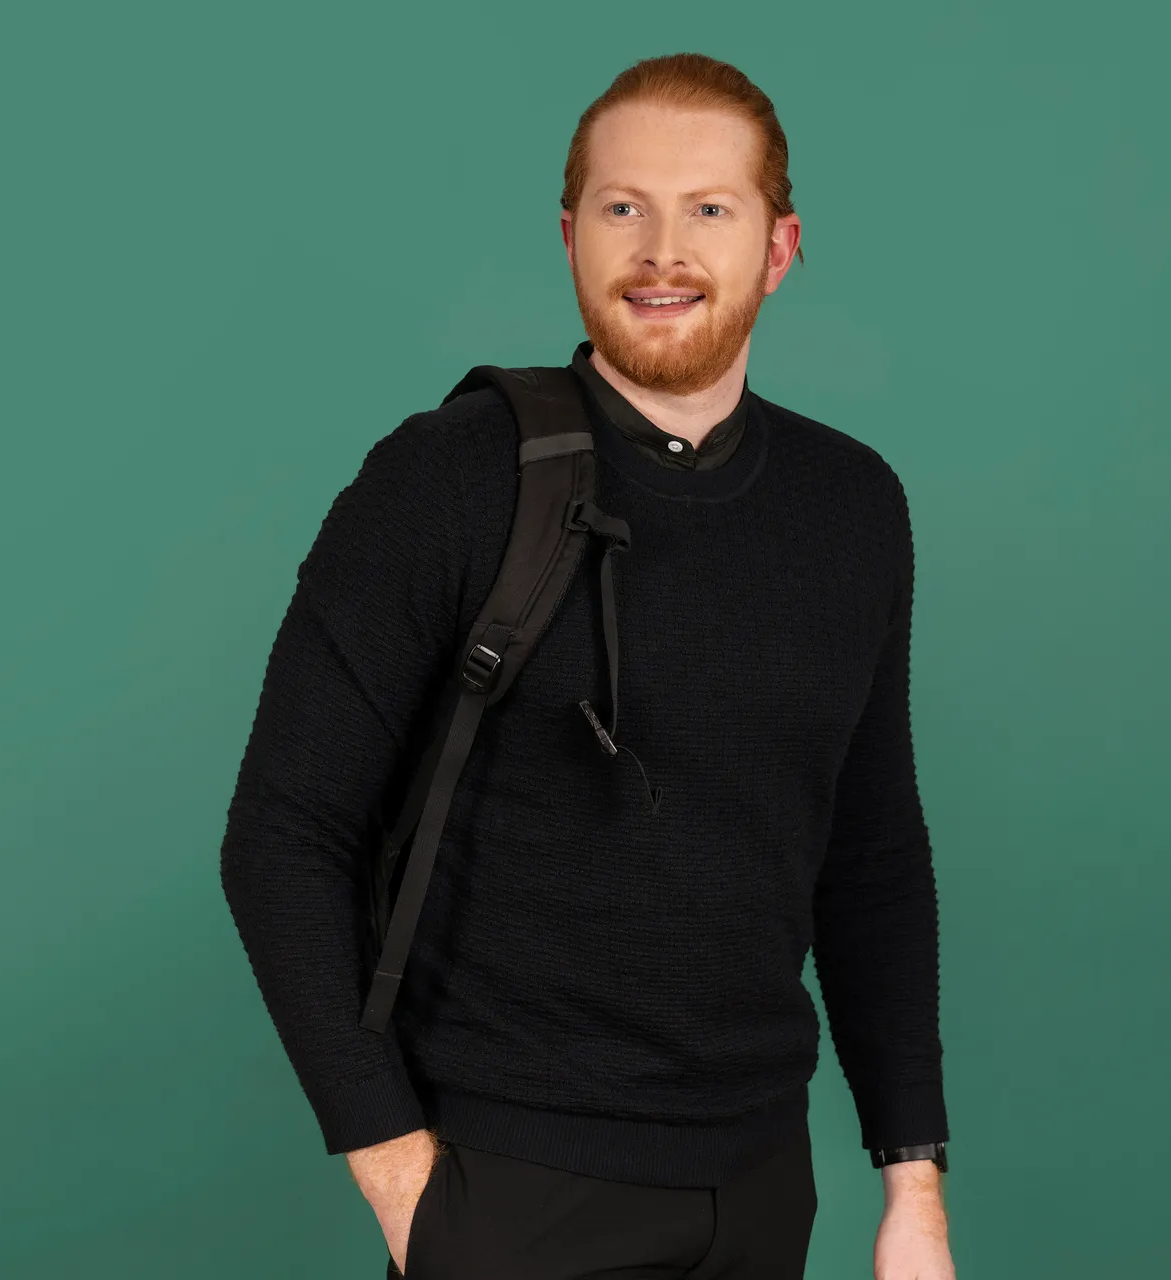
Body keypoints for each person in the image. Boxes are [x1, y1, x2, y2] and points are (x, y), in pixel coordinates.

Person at [220, 51, 956, 1280]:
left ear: (779, 247)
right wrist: (405, 1184)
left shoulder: (855, 505)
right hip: (509, 1184)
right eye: (624, 207)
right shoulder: (448, 477)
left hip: (766, 1184)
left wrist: (912, 1188)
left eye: (708, 209)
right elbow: (282, 833)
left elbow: (872, 856)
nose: (661, 249)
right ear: (570, 235)